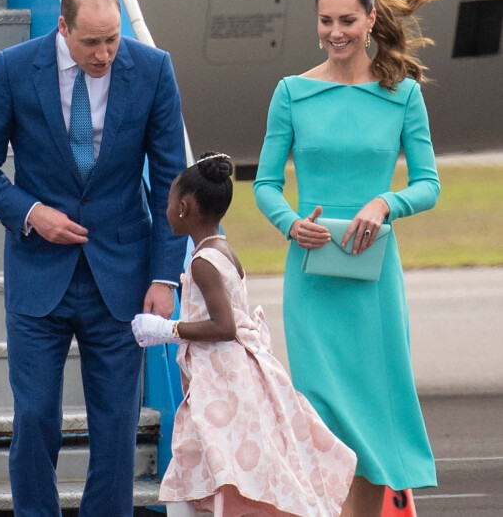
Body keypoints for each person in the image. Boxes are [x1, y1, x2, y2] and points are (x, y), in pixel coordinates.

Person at [0, 0, 187, 517]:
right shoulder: (14, 67)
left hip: (123, 276)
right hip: (39, 277)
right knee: (35, 416)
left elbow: (172, 179)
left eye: (112, 40)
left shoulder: (153, 69)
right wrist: (31, 213)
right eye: (91, 43)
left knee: (115, 425)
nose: (105, 53)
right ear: (63, 27)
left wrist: (164, 276)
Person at [253, 0, 440, 517]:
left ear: (371, 20)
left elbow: (428, 183)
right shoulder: (291, 93)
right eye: (326, 21)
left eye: (348, 21)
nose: (337, 32)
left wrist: (386, 201)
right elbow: (264, 184)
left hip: (374, 278)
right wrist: (290, 222)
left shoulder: (401, 95)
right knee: (324, 419)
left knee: (371, 422)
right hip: (312, 274)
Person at [131, 152, 357, 517]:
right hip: (228, 380)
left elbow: (224, 326)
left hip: (222, 385)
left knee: (206, 466)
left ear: (186, 207)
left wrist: (167, 329)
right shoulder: (222, 249)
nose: (167, 209)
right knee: (209, 466)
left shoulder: (202, 262)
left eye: (169, 201)